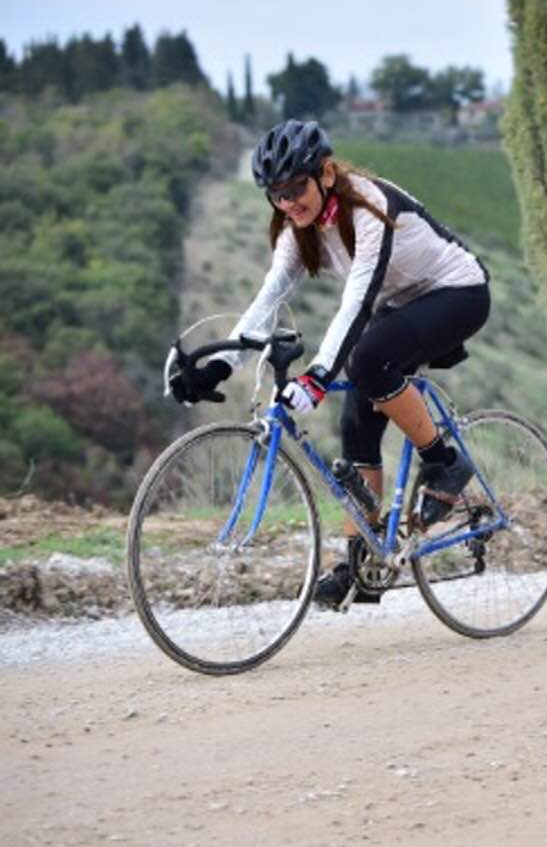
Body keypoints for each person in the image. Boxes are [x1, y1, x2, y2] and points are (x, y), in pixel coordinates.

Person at [170, 119, 490, 610]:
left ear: (324, 172)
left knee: (365, 362)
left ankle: (445, 463)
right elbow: (267, 299)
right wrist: (221, 365)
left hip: (457, 292)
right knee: (356, 421)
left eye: (296, 187)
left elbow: (357, 303)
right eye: (275, 194)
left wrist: (318, 375)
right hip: (403, 303)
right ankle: (364, 563)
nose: (288, 202)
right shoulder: (297, 230)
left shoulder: (367, 205)